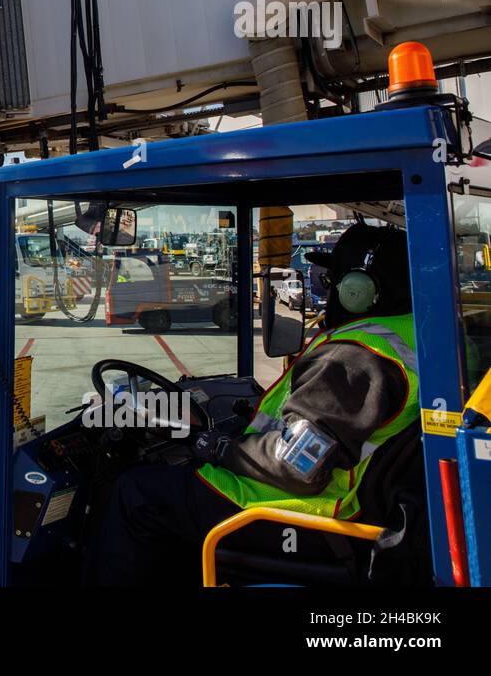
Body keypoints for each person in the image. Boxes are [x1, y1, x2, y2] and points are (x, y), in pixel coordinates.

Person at [83, 222, 418, 586]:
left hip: (298, 513)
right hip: (346, 508)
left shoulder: (354, 359)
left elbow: (298, 466)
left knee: (135, 492)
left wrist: (216, 446)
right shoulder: (412, 334)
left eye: (331, 280)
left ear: (360, 291)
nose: (326, 288)